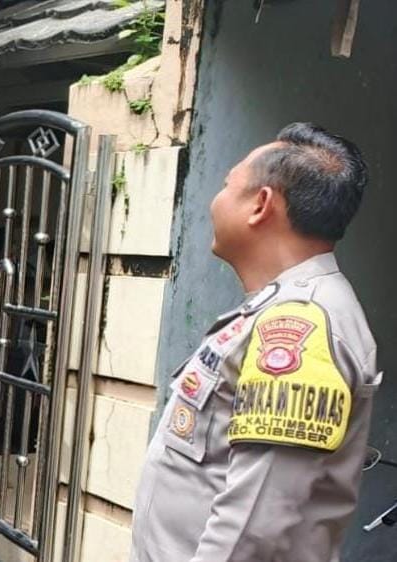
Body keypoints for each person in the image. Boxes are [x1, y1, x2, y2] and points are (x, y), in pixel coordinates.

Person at [130, 123, 380, 562]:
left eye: (227, 185)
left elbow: (252, 533)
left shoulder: (301, 327)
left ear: (261, 204)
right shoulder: (278, 308)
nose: (216, 200)